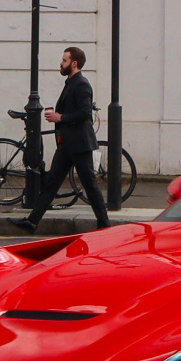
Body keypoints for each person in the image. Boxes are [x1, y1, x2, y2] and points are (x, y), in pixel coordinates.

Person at [12, 46, 109, 232]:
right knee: (51, 184)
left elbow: (84, 113)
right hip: (67, 145)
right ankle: (32, 221)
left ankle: (104, 225)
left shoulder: (81, 84)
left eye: (64, 60)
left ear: (74, 63)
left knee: (91, 186)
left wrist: (61, 117)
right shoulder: (70, 82)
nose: (61, 63)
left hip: (80, 145)